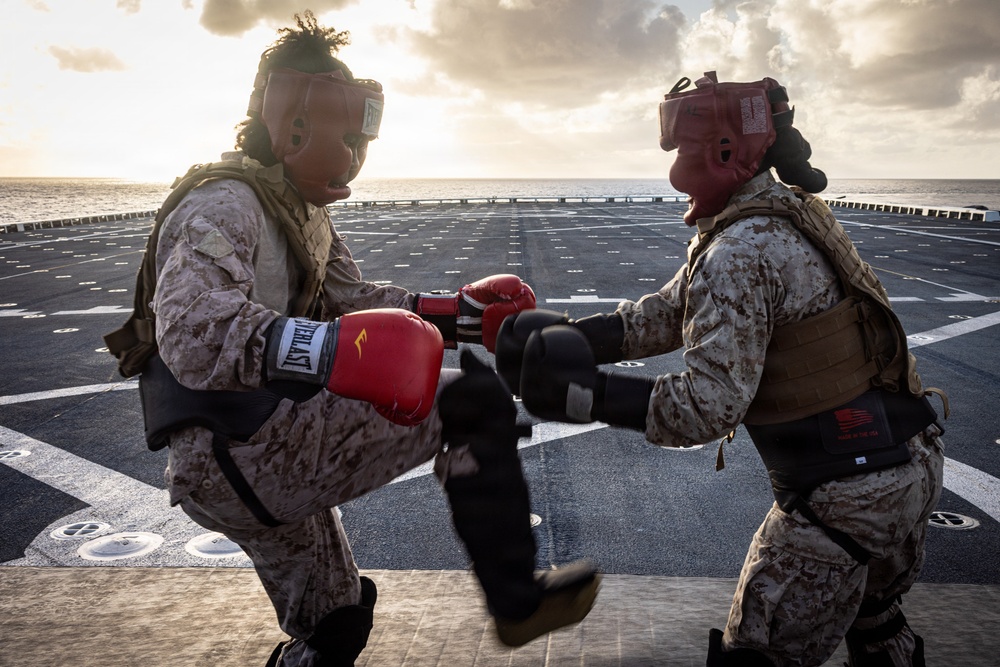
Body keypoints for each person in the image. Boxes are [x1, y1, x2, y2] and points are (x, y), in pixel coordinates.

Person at [104, 12, 599, 666]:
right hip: (235, 453)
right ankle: (515, 600)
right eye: (347, 129)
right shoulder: (224, 204)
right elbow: (193, 330)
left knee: (336, 626)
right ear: (294, 121)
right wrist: (332, 352)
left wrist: (456, 315)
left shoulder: (297, 210)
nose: (358, 149)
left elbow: (351, 298)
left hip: (261, 445)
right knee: (473, 402)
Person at [495, 72, 946, 667]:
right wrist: (570, 337)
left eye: (683, 149)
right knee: (877, 625)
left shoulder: (738, 250)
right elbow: (671, 310)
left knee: (754, 658)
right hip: (907, 465)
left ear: (724, 153)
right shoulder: (786, 211)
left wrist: (584, 395)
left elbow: (705, 409)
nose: (675, 169)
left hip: (844, 499)